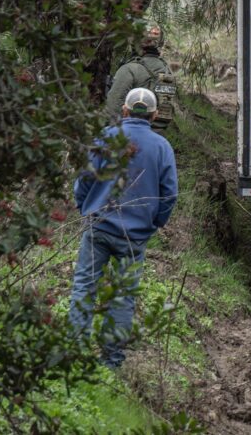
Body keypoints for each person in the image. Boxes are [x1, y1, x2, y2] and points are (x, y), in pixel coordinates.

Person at [70, 88, 178, 368]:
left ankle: (76, 354)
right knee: (123, 298)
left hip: (98, 228)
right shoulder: (162, 147)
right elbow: (169, 195)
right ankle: (112, 361)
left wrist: (85, 207)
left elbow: (84, 179)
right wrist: (155, 223)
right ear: (154, 116)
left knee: (84, 286)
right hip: (134, 237)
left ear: (125, 111)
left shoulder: (106, 137)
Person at [105, 23, 175, 131]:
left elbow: (113, 107)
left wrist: (112, 135)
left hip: (129, 135)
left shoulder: (130, 69)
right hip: (157, 134)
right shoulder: (167, 70)